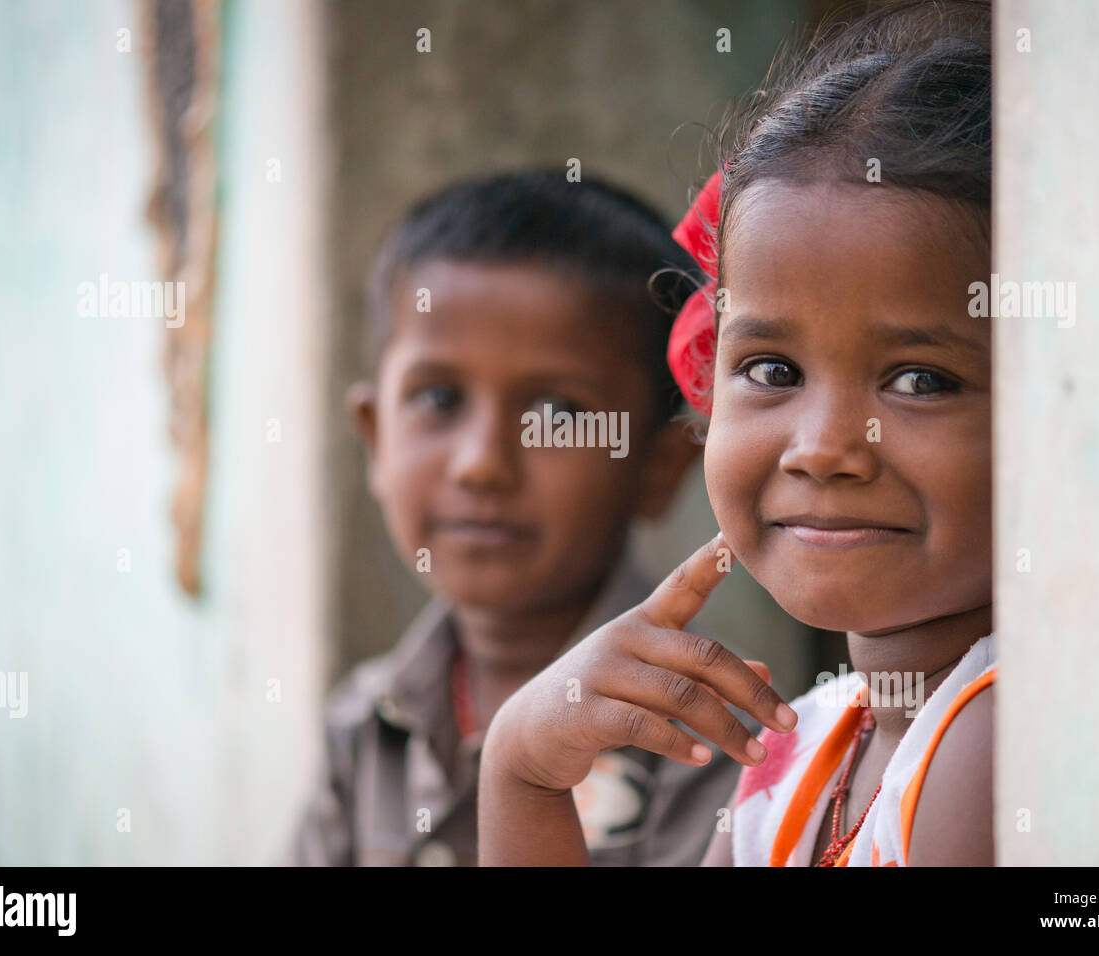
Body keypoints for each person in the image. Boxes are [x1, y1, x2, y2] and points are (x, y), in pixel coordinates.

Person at [479, 0, 996, 867]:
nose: (824, 446)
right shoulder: (805, 747)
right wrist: (522, 775)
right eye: (773, 370)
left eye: (921, 380)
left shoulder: (998, 742)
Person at [292, 169, 757, 866]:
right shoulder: (367, 724)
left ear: (659, 468)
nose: (481, 463)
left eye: (557, 414)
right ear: (374, 436)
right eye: (439, 398)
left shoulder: (708, 736)